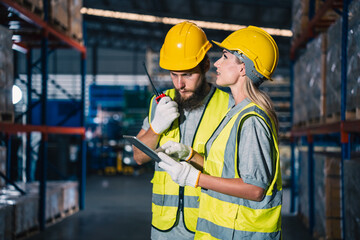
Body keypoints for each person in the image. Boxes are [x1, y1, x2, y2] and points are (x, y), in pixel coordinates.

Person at [157, 25, 282, 239]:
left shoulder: (251, 120)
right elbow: (226, 170)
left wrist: (194, 178)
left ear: (243, 68)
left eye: (225, 57)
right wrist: (189, 155)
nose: (216, 63)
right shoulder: (236, 112)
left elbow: (254, 188)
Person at [133, 21, 234, 239]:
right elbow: (139, 157)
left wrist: (190, 157)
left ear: (206, 65)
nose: (179, 84)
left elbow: (233, 175)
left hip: (207, 226)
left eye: (188, 75)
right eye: (174, 74)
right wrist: (155, 127)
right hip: (164, 228)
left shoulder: (229, 106)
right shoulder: (159, 103)